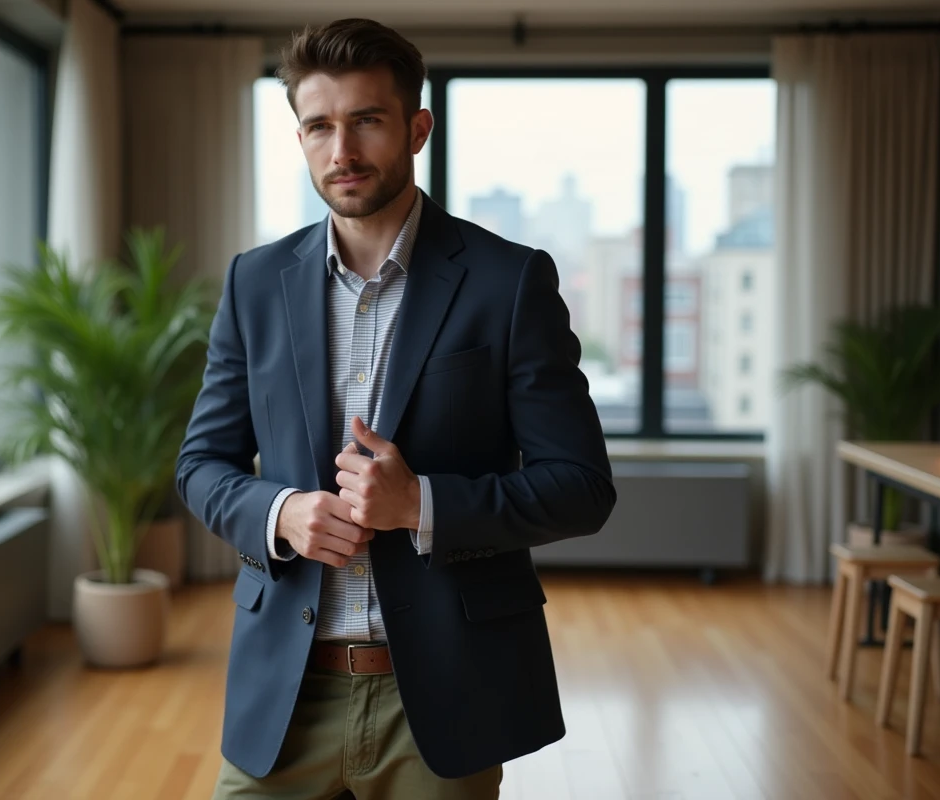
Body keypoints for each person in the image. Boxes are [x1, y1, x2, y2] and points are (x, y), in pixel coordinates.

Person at [176, 17, 616, 800]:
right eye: (319, 126)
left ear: (417, 128)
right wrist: (281, 513)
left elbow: (581, 485)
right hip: (285, 693)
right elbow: (200, 467)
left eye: (366, 121)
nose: (340, 151)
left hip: (443, 698)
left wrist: (419, 503)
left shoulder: (508, 282)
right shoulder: (254, 283)